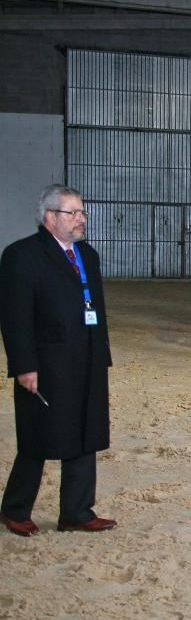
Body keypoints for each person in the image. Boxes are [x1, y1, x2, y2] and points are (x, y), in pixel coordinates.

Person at [0, 185, 117, 536]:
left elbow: (95, 307)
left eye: (82, 212)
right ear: (50, 217)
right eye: (74, 213)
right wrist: (24, 365)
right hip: (47, 364)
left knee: (86, 433)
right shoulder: (22, 256)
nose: (82, 219)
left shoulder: (88, 255)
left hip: (87, 360)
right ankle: (15, 508)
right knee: (39, 436)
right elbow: (15, 317)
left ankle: (77, 511)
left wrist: (101, 358)